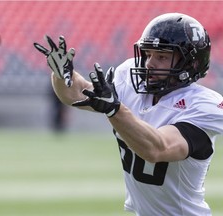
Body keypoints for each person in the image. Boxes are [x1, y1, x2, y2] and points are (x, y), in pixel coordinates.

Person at [34, 13, 223, 215]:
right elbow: (77, 94)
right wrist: (63, 74)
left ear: (190, 63)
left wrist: (115, 109)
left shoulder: (204, 105)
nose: (150, 63)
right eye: (148, 54)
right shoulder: (132, 79)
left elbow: (157, 148)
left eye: (161, 56)